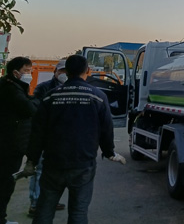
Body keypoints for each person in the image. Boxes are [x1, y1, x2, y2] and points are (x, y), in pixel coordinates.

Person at [24, 55, 126, 224]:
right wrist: (109, 152)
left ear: (66, 71)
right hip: (83, 164)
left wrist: (31, 160)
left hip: (53, 163)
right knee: (78, 211)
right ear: (88, 71)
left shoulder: (50, 97)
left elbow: (38, 132)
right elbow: (106, 128)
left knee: (44, 210)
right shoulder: (98, 96)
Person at [0, 56, 38, 224]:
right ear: (15, 72)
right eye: (26, 71)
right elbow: (29, 109)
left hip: (9, 143)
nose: (29, 74)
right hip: (9, 144)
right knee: (5, 183)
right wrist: (37, 101)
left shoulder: (12, 85)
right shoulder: (11, 88)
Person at [28, 60, 68, 218]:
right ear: (56, 72)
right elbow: (36, 111)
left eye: (67, 71)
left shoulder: (70, 87)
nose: (64, 74)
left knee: (55, 172)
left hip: (62, 138)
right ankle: (35, 203)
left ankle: (50, 200)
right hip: (45, 135)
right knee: (39, 171)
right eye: (61, 71)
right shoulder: (44, 87)